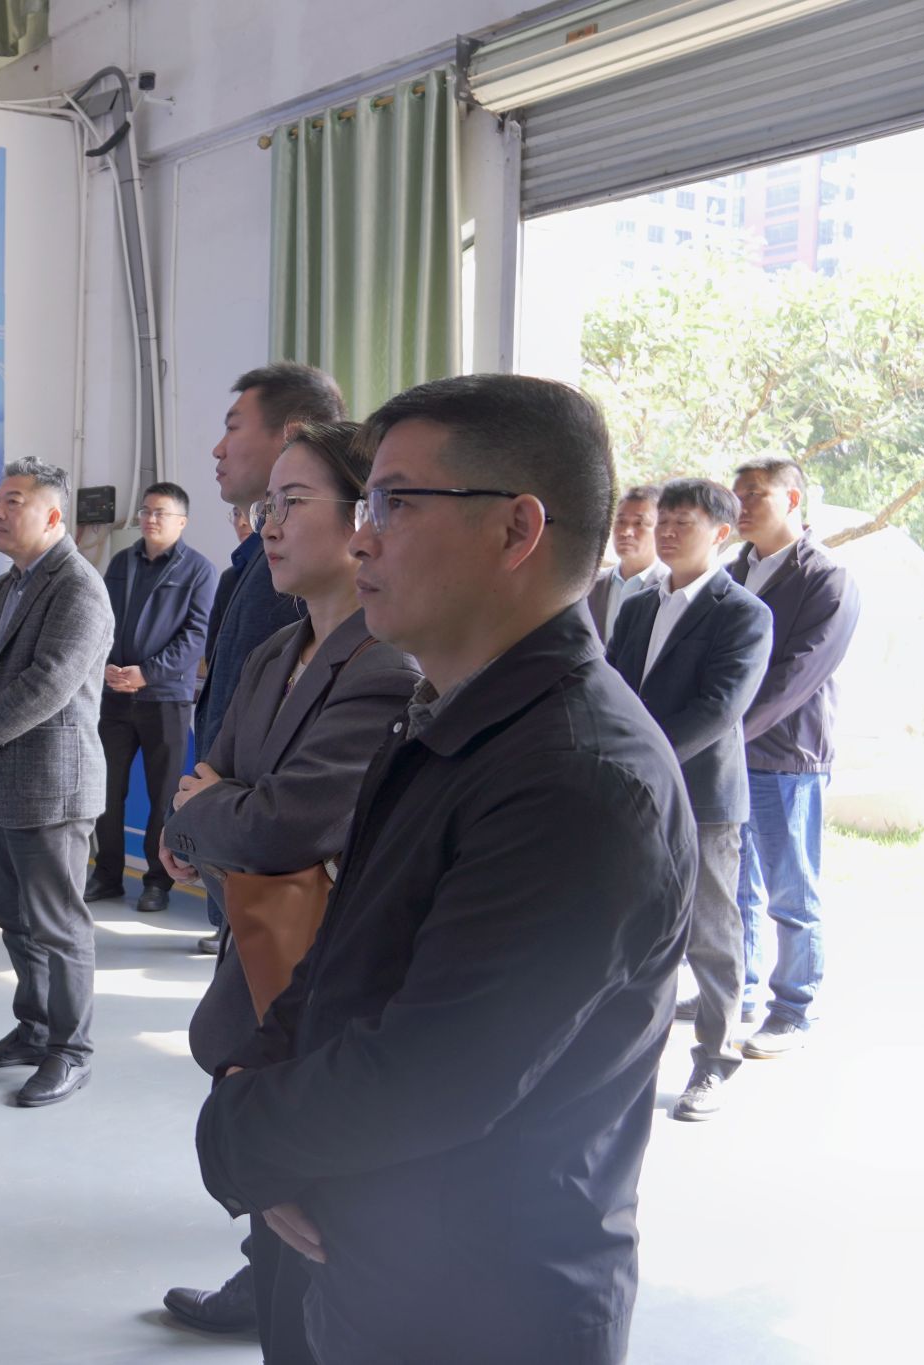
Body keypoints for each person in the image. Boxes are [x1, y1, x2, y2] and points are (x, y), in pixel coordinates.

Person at [195, 375, 695, 1365]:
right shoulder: (448, 719)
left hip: (481, 1302)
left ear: (515, 530)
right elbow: (337, 959)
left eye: (392, 503)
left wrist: (239, 1132)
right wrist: (262, 1082)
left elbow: (436, 1074)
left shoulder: (577, 779)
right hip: (372, 1254)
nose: (362, 540)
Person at [156, 422, 420, 1352]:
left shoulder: (386, 665)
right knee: (278, 1274)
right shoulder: (275, 653)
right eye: (266, 506)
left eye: (292, 503)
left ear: (362, 518)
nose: (267, 524)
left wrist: (216, 817)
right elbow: (205, 798)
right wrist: (209, 819)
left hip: (328, 995)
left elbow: (282, 824)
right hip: (255, 979)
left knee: (319, 1279)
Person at [0, 458, 115, 1107]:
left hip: (53, 785)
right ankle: (36, 1028)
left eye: (13, 502)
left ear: (52, 515)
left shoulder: (78, 587)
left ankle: (71, 1051)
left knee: (58, 925)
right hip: (1, 777)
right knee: (14, 918)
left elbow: (49, 684)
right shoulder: (6, 587)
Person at [607, 479, 771, 1121]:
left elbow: (719, 709)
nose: (668, 532)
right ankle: (623, 1062)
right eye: (664, 521)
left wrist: (642, 755)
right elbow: (613, 687)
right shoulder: (638, 605)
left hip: (702, 798)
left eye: (685, 523)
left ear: (722, 534)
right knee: (634, 928)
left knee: (710, 934)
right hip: (633, 791)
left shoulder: (743, 614)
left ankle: (714, 1062)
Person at [192, 363, 347, 951]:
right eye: (272, 510)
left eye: (234, 426)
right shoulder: (261, 569)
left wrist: (207, 819)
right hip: (234, 858)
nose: (218, 448)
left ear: (293, 432)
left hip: (271, 879)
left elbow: (288, 782)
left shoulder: (304, 585)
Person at [729, 455, 861, 1057]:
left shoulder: (827, 578)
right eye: (736, 494)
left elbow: (797, 678)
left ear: (792, 500)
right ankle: (740, 990)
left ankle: (794, 1010)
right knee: (737, 884)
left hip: (785, 755)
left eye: (755, 494)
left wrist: (726, 732)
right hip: (729, 750)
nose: (741, 504)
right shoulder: (733, 570)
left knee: (791, 891)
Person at [86, 482, 217, 913]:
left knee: (163, 798)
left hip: (166, 700)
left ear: (182, 521)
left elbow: (195, 636)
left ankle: (157, 882)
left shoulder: (198, 570)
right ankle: (106, 875)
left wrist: (147, 673)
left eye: (160, 513)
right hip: (115, 697)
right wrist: (107, 665)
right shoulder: (122, 562)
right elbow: (101, 620)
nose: (150, 519)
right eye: (145, 511)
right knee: (106, 791)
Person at [584, 485, 668, 644]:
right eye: (621, 521)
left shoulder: (669, 589)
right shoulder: (590, 585)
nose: (626, 532)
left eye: (639, 523)